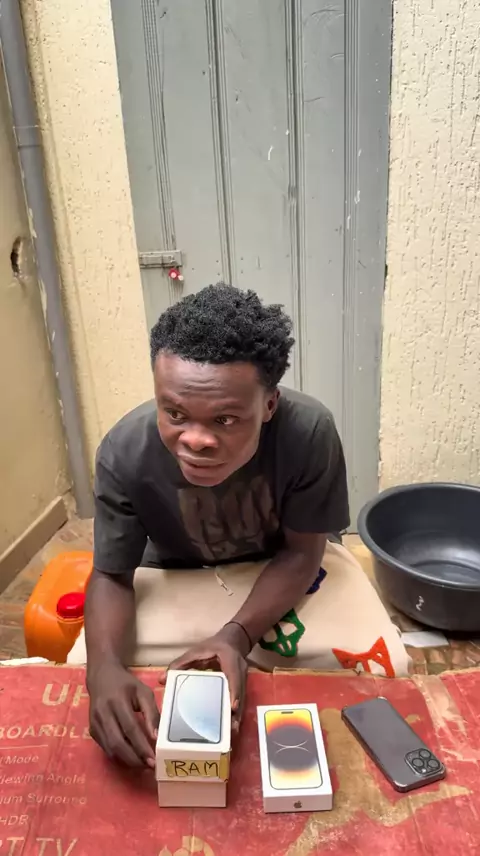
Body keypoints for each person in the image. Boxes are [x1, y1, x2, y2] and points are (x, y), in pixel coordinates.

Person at [74, 283, 408, 769]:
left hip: (281, 570)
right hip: (174, 575)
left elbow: (302, 553)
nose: (196, 440)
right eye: (175, 413)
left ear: (269, 405)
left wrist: (236, 635)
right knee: (92, 669)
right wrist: (101, 670)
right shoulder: (124, 450)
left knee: (385, 661)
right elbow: (111, 574)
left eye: (226, 419)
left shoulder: (308, 432)